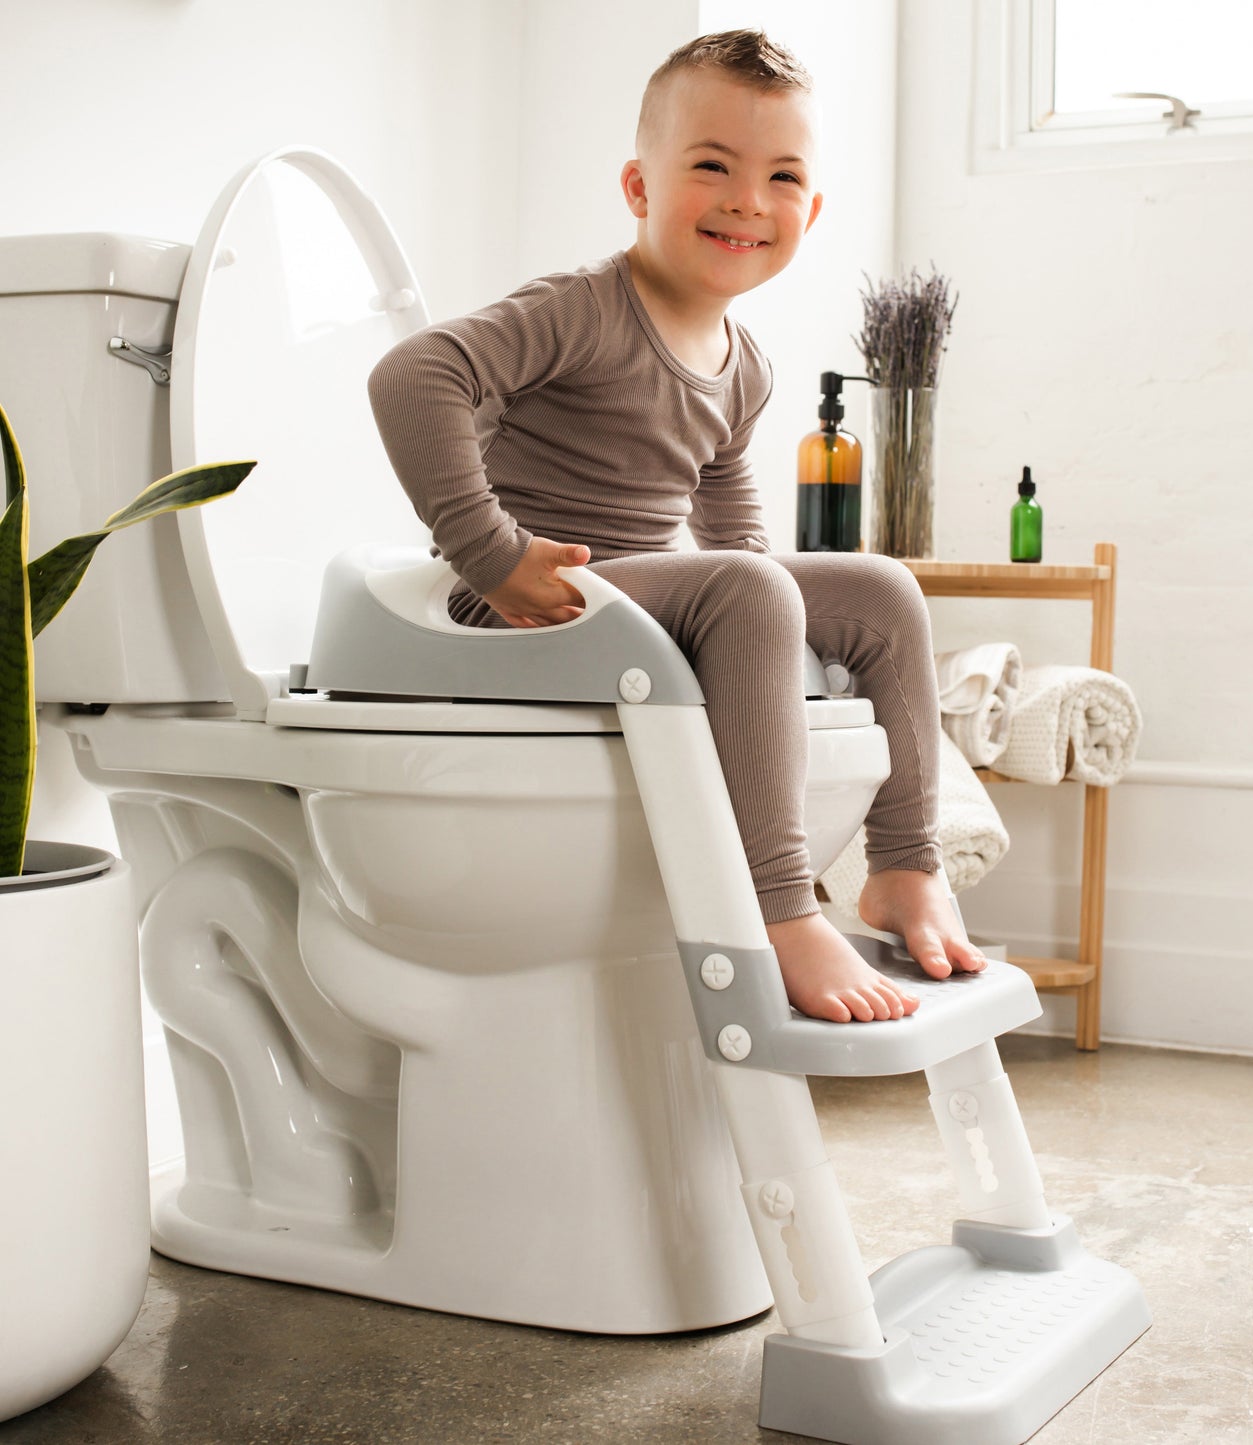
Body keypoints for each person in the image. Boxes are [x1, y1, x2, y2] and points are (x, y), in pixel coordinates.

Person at [368, 28, 986, 1024]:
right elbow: (413, 375)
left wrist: (776, 639)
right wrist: (490, 555)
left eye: (781, 176)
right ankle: (776, 905)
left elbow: (735, 529)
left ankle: (905, 860)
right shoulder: (581, 308)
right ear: (638, 186)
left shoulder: (745, 362)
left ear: (810, 209)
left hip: (629, 618)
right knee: (745, 589)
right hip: (526, 614)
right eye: (711, 165)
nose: (748, 199)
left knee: (878, 588)